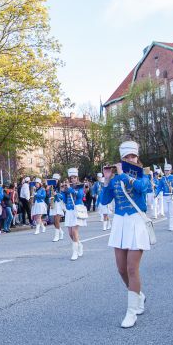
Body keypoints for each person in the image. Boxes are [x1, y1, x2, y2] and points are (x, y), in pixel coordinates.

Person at [99, 140, 152, 329]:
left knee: (132, 268)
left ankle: (131, 312)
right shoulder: (115, 179)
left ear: (137, 158)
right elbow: (104, 200)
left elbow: (142, 188)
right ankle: (138, 295)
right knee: (121, 269)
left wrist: (122, 174)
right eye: (126, 157)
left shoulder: (143, 174)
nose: (130, 159)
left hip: (136, 222)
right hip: (120, 223)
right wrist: (107, 180)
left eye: (132, 156)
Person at [62, 168, 86, 260]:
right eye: (71, 178)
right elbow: (65, 200)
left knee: (74, 231)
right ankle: (79, 245)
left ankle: (75, 252)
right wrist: (63, 191)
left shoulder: (80, 186)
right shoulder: (67, 187)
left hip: (77, 210)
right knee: (70, 233)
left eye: (74, 177)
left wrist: (70, 189)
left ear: (77, 178)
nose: (73, 179)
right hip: (69, 211)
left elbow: (80, 196)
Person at [48, 174, 65, 243]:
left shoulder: (61, 187)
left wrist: (56, 194)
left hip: (59, 205)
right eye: (54, 179)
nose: (55, 181)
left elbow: (62, 197)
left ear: (58, 180)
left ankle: (56, 236)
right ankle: (61, 232)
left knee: (56, 221)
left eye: (56, 179)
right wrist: (50, 200)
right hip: (53, 204)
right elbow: (49, 196)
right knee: (54, 223)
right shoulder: (51, 188)